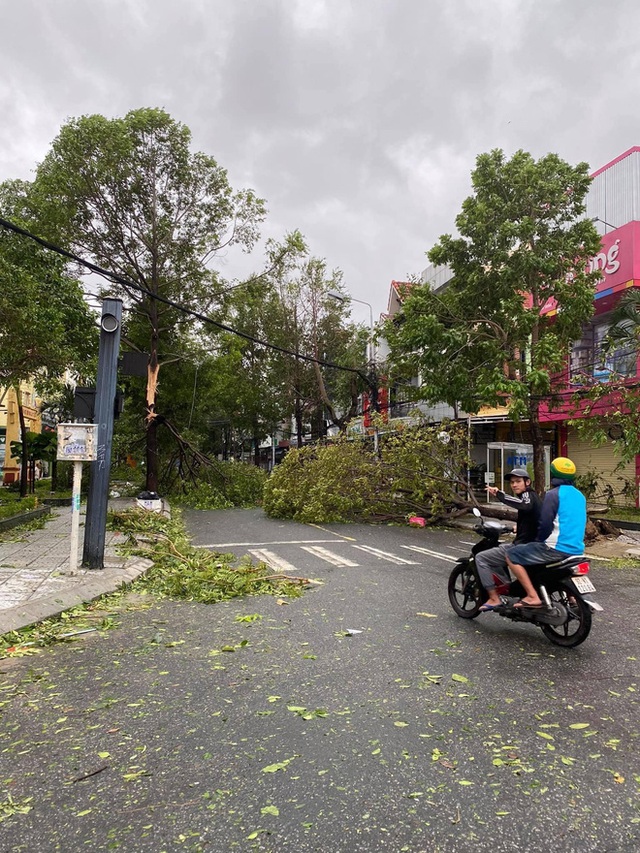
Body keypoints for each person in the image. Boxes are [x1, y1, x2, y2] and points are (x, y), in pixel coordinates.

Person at [505, 457, 587, 608]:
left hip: (556, 548)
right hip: (578, 550)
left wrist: (538, 540)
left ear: (553, 474)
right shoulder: (580, 496)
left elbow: (545, 524)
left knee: (512, 554)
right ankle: (572, 599)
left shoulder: (553, 494)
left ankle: (532, 596)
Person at [476, 467, 542, 611]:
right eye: (512, 482)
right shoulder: (535, 498)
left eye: (518, 481)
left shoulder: (528, 495)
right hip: (534, 543)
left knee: (481, 558)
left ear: (527, 482)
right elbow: (532, 517)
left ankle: (494, 598)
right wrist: (517, 528)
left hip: (524, 546)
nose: (514, 485)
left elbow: (525, 506)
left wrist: (500, 494)